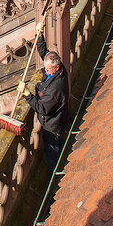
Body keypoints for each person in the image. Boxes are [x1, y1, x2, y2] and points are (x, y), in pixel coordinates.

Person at [25, 21, 69, 172]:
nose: (46, 71)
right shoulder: (57, 68)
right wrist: (39, 34)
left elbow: (42, 108)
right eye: (45, 68)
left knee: (52, 157)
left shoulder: (56, 87)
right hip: (54, 122)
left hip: (52, 126)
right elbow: (44, 51)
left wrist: (27, 94)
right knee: (57, 149)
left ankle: (56, 179)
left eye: (48, 70)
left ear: (56, 68)